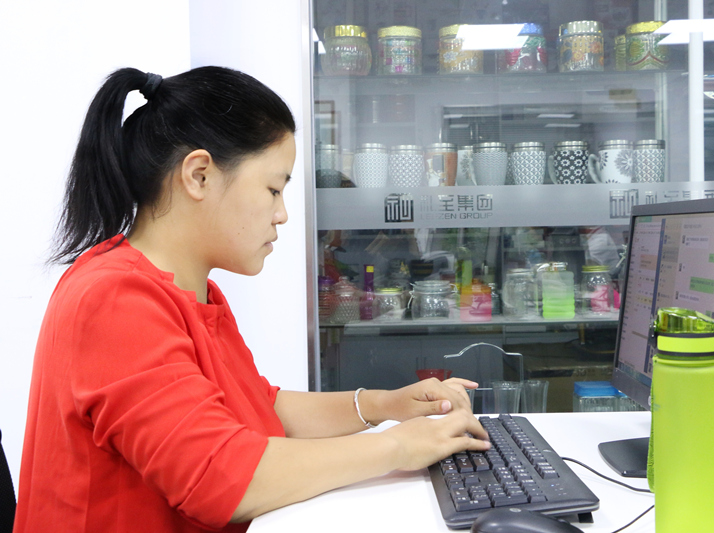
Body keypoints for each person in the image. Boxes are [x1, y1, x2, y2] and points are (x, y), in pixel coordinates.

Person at [13, 66, 490, 532]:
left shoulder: (194, 292)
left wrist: (386, 406)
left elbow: (258, 407)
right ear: (199, 176)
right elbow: (218, 477)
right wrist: (400, 446)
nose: (282, 214)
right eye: (273, 189)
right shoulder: (115, 298)